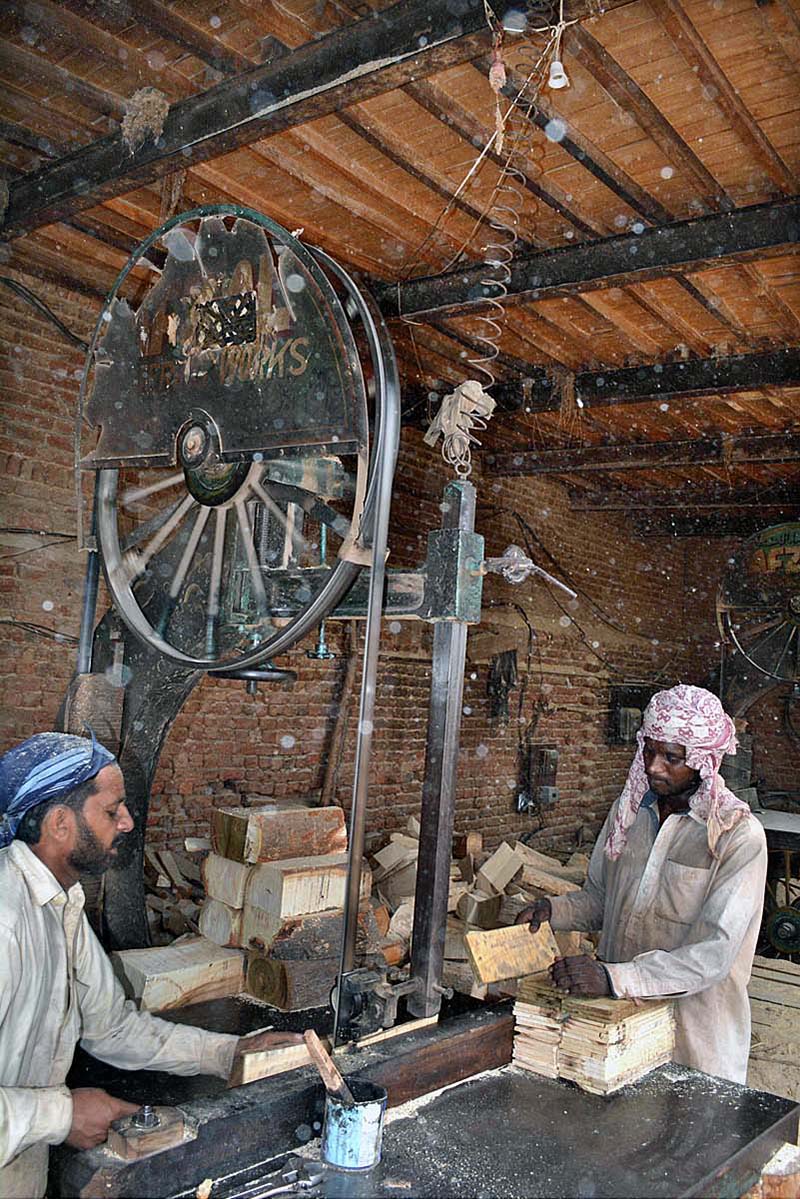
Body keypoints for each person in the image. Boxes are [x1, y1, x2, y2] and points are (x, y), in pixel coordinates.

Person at [0, 731, 302, 1199]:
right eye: (111, 809)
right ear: (60, 823)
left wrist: (228, 1055)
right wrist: (61, 1115)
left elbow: (113, 1028)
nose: (126, 822)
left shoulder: (61, 905)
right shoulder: (6, 920)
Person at [516, 685, 767, 1084]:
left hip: (693, 1044)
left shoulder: (738, 837)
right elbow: (603, 898)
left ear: (704, 761)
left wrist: (615, 978)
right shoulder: (629, 813)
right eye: (649, 751)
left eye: (672, 757)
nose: (654, 766)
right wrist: (555, 910)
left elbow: (713, 955)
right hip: (619, 1032)